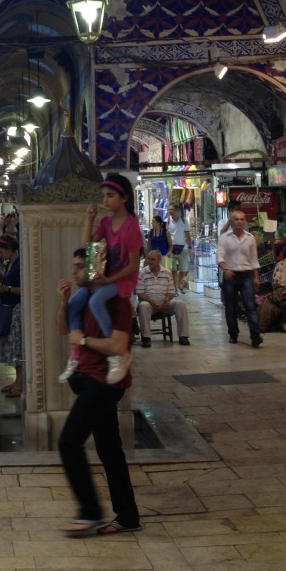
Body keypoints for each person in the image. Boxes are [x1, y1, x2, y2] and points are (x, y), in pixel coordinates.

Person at [55, 248, 141, 537]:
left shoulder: (116, 302)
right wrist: (63, 302)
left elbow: (117, 346)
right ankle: (128, 516)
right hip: (89, 379)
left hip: (104, 383)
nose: (75, 271)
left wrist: (86, 340)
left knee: (69, 442)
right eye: (74, 266)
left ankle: (89, 512)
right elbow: (62, 329)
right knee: (109, 449)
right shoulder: (82, 300)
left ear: (95, 268)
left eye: (80, 266)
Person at [60, 173, 143, 385]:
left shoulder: (131, 225)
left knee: (96, 301)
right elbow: (87, 249)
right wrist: (89, 218)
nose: (105, 200)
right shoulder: (107, 222)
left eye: (110, 195)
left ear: (124, 198)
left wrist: (109, 280)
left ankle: (117, 353)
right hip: (105, 276)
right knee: (74, 303)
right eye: (103, 195)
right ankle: (77, 352)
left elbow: (133, 265)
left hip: (122, 279)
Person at [217, 209, 263, 347]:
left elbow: (254, 259)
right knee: (231, 307)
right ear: (231, 221)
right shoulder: (224, 238)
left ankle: (255, 336)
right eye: (236, 219)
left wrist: (256, 277)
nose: (239, 222)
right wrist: (225, 269)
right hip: (230, 276)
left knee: (250, 305)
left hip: (246, 275)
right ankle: (233, 333)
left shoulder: (250, 238)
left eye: (242, 219)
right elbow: (220, 257)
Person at [135, 249, 190, 347]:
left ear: (159, 260)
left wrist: (167, 299)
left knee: (180, 304)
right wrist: (151, 301)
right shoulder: (142, 273)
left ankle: (183, 336)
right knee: (143, 305)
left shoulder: (167, 273)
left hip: (164, 303)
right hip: (149, 303)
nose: (150, 261)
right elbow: (140, 293)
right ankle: (146, 337)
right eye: (149, 259)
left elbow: (171, 291)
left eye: (153, 259)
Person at [0, 234, 23, 397]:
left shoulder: (20, 265)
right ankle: (17, 380)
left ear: (10, 249)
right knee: (11, 346)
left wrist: (7, 289)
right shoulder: (10, 263)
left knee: (18, 347)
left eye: (2, 251)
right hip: (7, 306)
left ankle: (20, 382)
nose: (0, 254)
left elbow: (24, 288)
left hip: (17, 309)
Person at [166, 204, 192, 293]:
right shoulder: (167, 221)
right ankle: (175, 289)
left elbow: (187, 234)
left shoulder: (184, 221)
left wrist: (190, 246)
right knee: (173, 270)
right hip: (171, 249)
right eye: (169, 209)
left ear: (177, 211)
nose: (170, 211)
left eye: (172, 209)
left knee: (183, 269)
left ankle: (179, 284)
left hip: (183, 249)